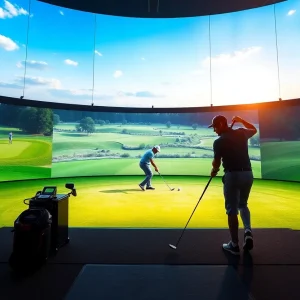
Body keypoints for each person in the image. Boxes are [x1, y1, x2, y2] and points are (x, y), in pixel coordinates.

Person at [208, 115, 257, 255]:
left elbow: (216, 162)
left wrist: (214, 170)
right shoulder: (241, 132)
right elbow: (253, 129)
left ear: (222, 125)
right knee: (243, 204)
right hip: (248, 174)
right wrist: (242, 120)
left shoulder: (219, 142)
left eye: (215, 127)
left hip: (232, 175)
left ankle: (234, 245)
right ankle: (247, 230)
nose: (214, 130)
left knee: (232, 210)